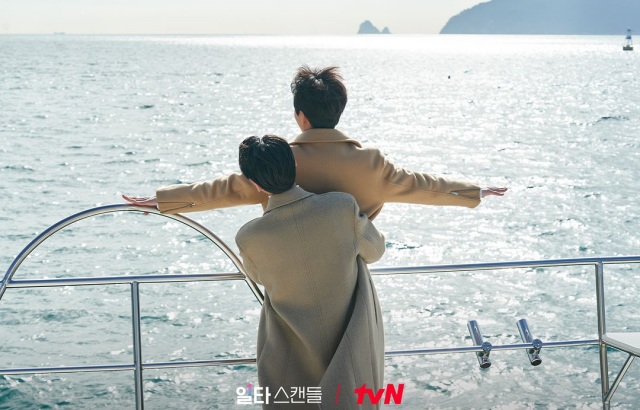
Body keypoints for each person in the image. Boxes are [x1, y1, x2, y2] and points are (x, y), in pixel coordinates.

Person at [123, 65, 506, 219]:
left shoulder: (280, 161)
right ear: (339, 111)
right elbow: (424, 186)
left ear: (300, 115)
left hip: (292, 284)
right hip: (351, 284)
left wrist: (164, 200)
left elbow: (224, 189)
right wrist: (473, 191)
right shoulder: (371, 163)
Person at [235, 135, 385, 409]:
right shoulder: (341, 206)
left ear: (253, 183)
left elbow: (259, 277)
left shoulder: (249, 237)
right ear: (294, 165)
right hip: (349, 349)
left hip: (287, 357)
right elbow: (375, 250)